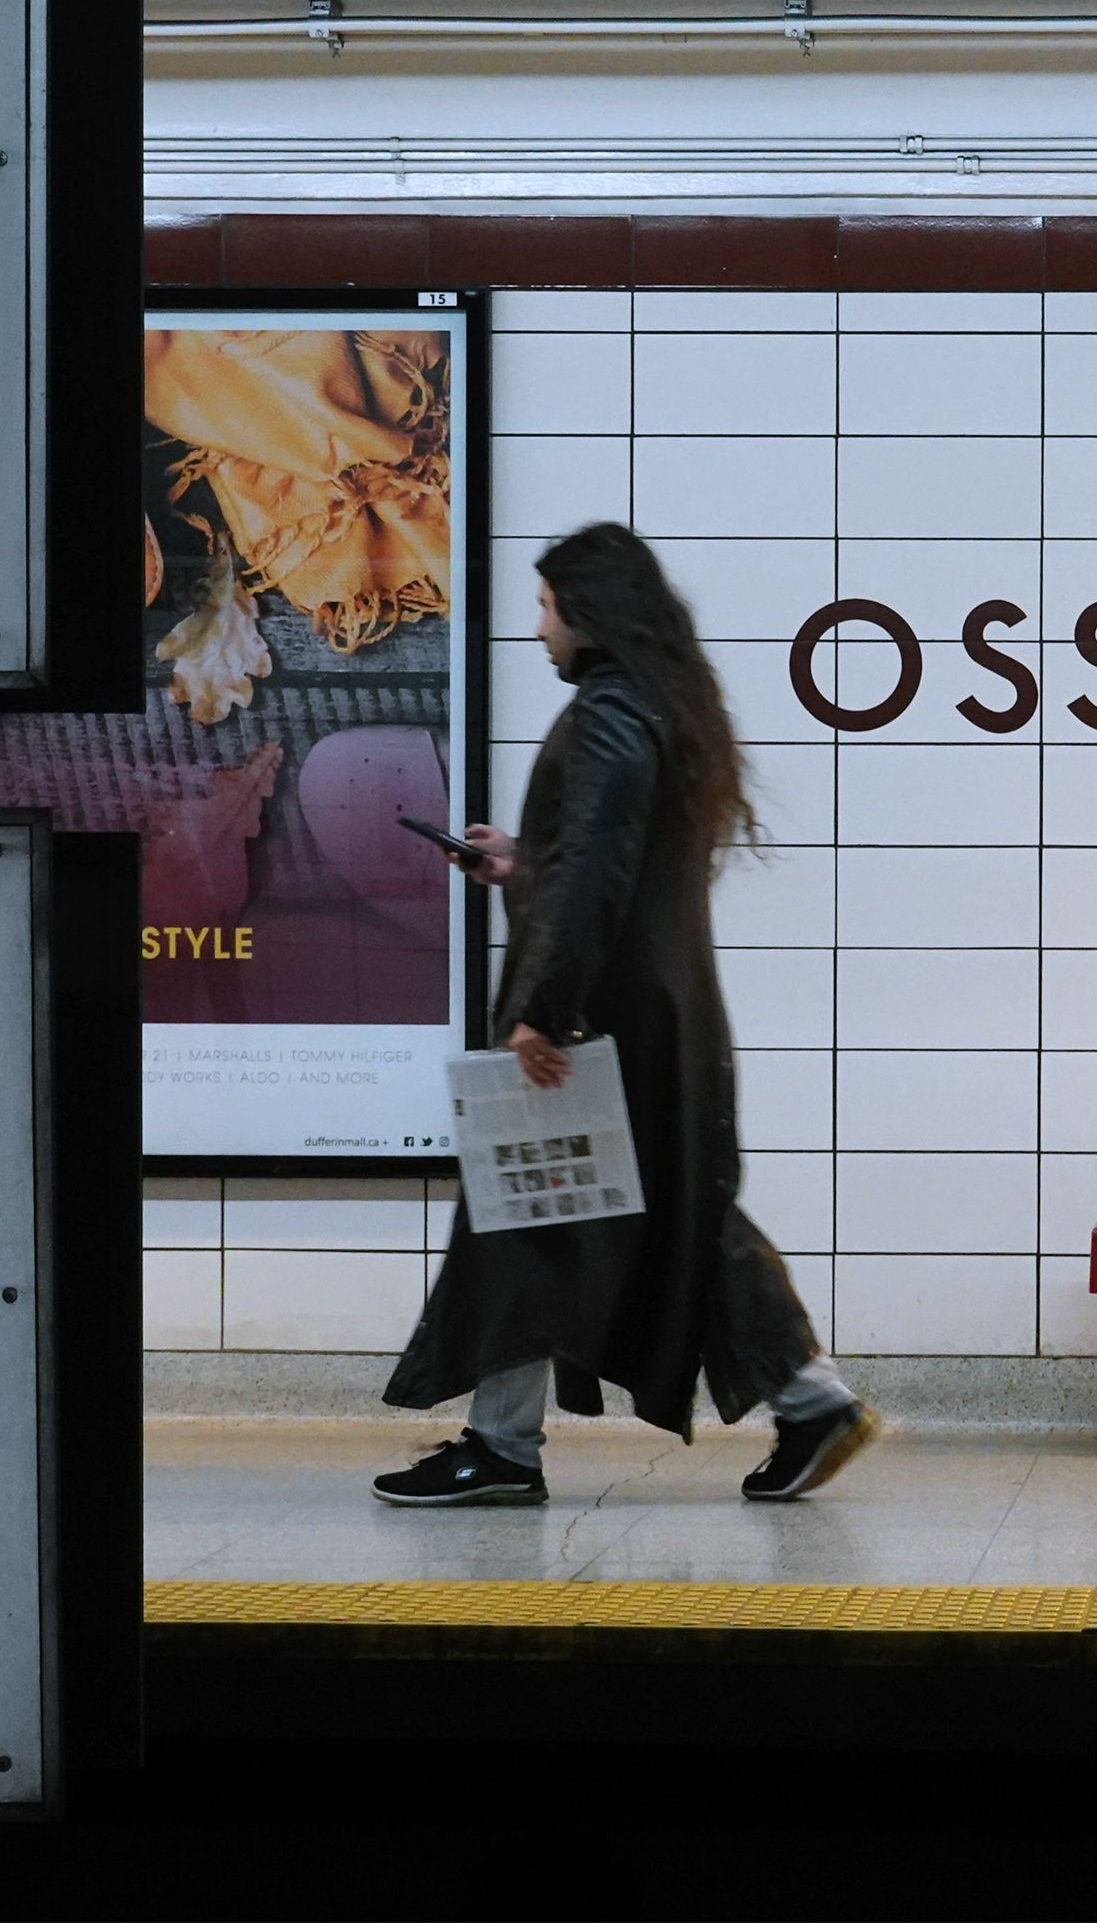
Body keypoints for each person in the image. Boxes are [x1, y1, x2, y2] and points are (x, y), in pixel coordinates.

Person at [373, 522, 879, 1505]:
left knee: (526, 1206)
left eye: (546, 607)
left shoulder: (610, 712)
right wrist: (521, 861)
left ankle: (504, 1448)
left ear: (588, 610)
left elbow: (600, 872)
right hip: (648, 1010)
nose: (537, 629)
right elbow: (605, 862)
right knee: (653, 1213)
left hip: (596, 1020)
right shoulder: (657, 705)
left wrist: (544, 1008)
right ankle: (808, 1401)